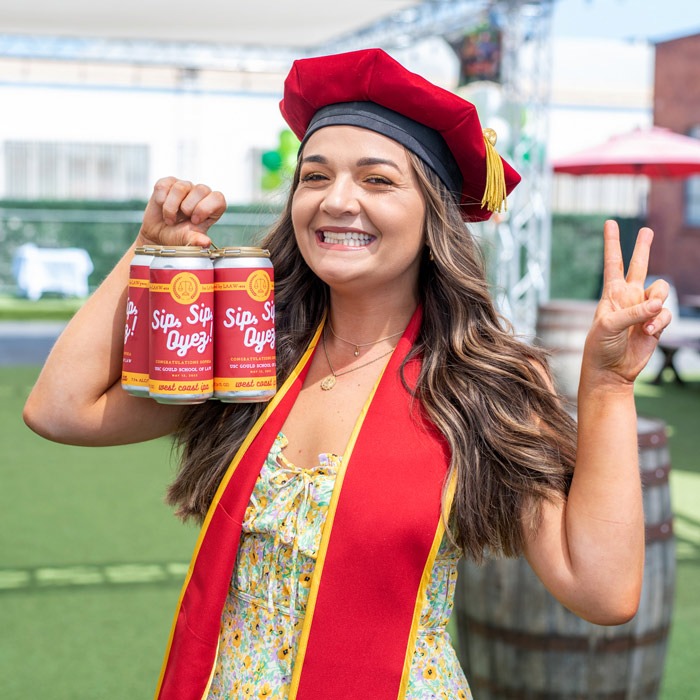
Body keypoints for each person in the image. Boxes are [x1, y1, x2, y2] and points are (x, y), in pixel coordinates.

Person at [23, 48, 671, 700]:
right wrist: (149, 251)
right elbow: (59, 408)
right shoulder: (250, 351)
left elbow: (603, 589)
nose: (336, 201)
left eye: (377, 180)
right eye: (314, 176)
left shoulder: (477, 387)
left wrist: (609, 387)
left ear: (433, 215)